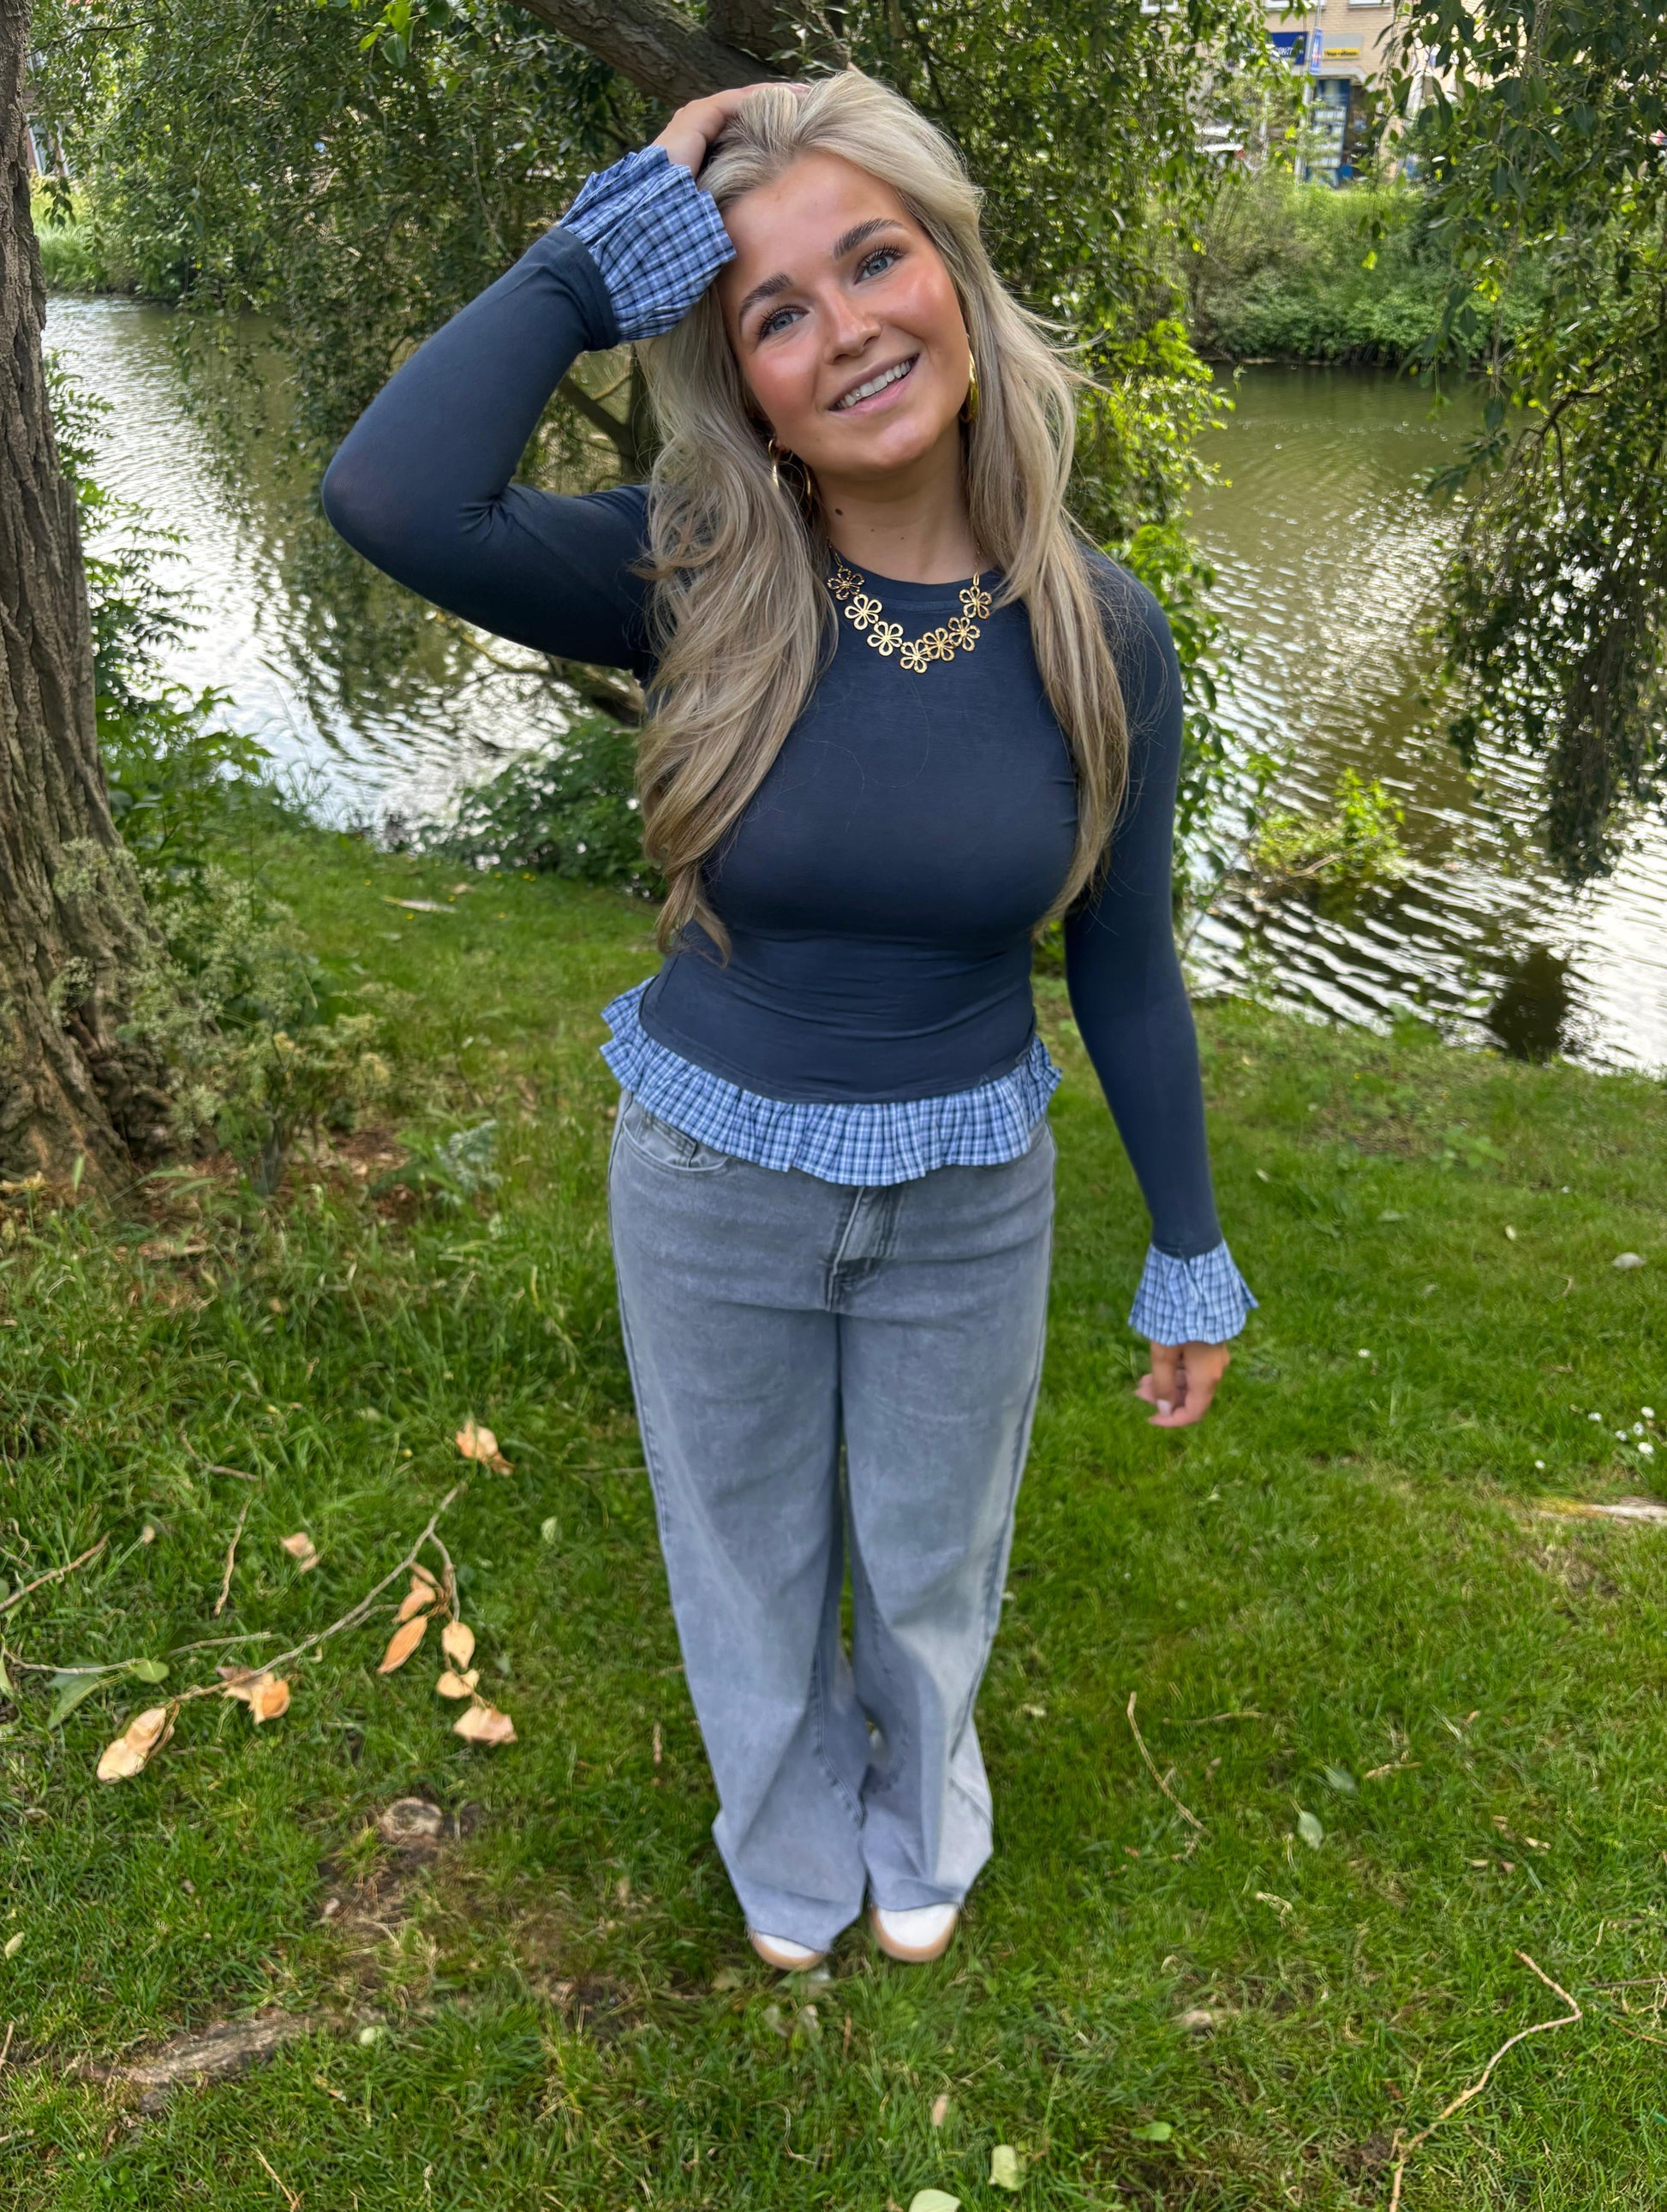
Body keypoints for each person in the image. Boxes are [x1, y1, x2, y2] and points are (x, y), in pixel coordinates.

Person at [322, 69, 1256, 1973]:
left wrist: (1188, 1245)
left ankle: (923, 1811)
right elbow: (392, 493)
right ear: (743, 383)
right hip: (708, 1182)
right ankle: (787, 1832)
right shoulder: (691, 578)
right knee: (741, 1552)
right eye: (773, 309)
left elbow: (1125, 960)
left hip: (970, 1195)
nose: (846, 332)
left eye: (874, 260)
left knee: (933, 1559)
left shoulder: (1104, 632)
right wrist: (598, 261)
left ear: (956, 278)